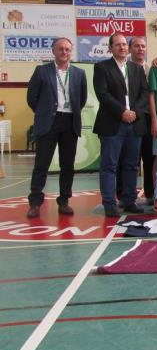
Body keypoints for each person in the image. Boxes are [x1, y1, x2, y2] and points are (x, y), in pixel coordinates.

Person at [26, 37, 88, 218]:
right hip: (48, 123)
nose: (64, 52)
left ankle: (64, 201)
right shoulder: (41, 71)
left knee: (67, 165)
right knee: (41, 164)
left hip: (69, 122)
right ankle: (35, 203)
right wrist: (43, 112)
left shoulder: (79, 73)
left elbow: (81, 99)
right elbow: (32, 97)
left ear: (71, 52)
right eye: (60, 49)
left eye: (67, 49)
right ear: (53, 51)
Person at [93, 33, 149, 217]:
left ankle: (129, 200)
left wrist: (133, 112)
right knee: (109, 165)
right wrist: (122, 112)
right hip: (112, 124)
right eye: (118, 45)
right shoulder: (102, 68)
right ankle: (109, 203)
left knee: (131, 165)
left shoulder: (136, 68)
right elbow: (103, 94)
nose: (122, 47)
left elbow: (143, 93)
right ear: (110, 48)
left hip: (134, 123)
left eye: (125, 44)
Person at [116, 36, 154, 205]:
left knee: (149, 158)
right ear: (130, 49)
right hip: (129, 118)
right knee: (128, 160)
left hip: (148, 119)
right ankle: (123, 195)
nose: (140, 49)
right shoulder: (123, 69)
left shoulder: (152, 69)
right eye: (136, 46)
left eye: (143, 46)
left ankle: (151, 194)